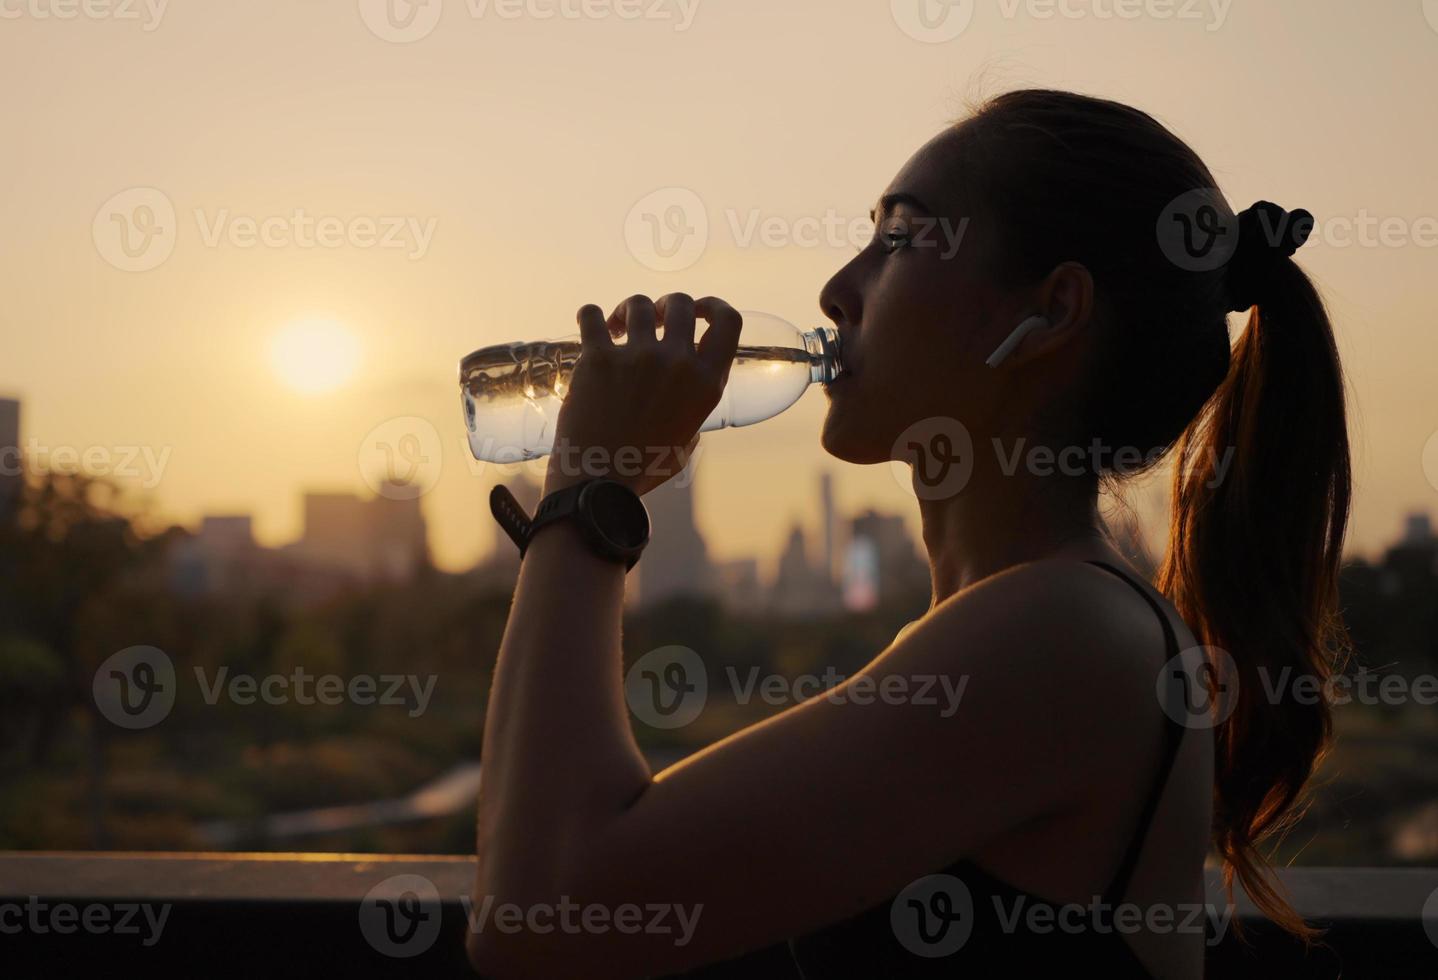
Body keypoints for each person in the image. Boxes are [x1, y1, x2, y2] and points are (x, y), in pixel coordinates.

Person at [466, 88, 1351, 980]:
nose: (836, 289)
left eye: (897, 239)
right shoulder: (1022, 620)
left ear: (1049, 312)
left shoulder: (1064, 634)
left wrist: (591, 486)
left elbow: (541, 913)